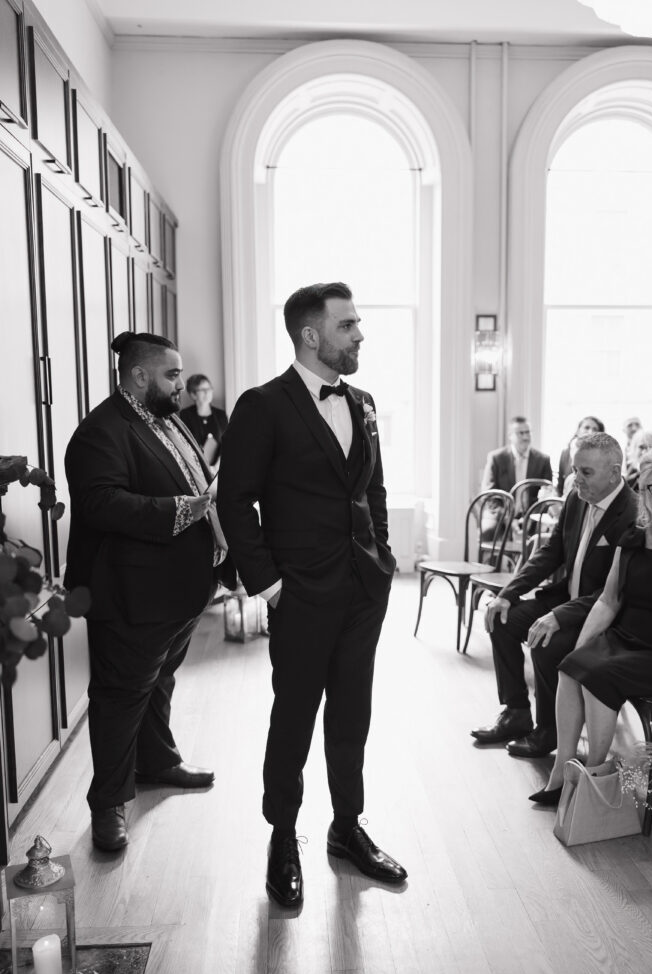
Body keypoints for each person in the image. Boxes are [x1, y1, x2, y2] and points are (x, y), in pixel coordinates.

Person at [217, 281, 406, 909]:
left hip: (361, 590)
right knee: (293, 718)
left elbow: (372, 488)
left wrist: (381, 554)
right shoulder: (263, 406)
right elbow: (234, 500)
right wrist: (269, 585)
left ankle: (346, 826)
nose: (359, 335)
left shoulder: (366, 401)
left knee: (353, 714)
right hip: (298, 594)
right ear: (311, 335)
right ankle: (282, 835)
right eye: (348, 325)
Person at [64, 331, 235, 852]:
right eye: (172, 374)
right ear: (139, 376)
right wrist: (186, 509)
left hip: (181, 592)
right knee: (120, 697)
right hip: (131, 596)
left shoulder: (168, 420)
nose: (181, 385)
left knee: (159, 680)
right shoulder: (101, 431)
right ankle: (109, 804)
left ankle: (157, 761)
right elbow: (101, 504)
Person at [531, 445, 652, 805]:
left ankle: (593, 775)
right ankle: (562, 770)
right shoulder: (632, 541)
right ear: (643, 495)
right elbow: (608, 601)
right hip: (627, 637)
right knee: (571, 667)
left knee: (599, 676)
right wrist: (581, 647)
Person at [471, 433, 638, 756]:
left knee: (546, 645)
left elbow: (614, 592)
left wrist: (559, 616)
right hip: (565, 598)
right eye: (575, 470)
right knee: (503, 620)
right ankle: (516, 712)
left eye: (586, 472)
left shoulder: (631, 514)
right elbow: (552, 551)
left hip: (604, 616)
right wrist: (508, 593)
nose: (576, 479)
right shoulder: (576, 498)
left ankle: (549, 732)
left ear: (614, 472)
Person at [482, 416, 553, 500]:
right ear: (510, 435)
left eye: (528, 432)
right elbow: (489, 493)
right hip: (504, 511)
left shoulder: (543, 460)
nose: (525, 437)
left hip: (533, 512)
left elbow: (547, 493)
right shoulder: (496, 459)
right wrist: (502, 512)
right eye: (521, 433)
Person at [179, 374, 229, 468]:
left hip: (218, 469)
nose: (207, 393)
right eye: (202, 390)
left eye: (209, 389)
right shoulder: (185, 415)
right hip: (195, 468)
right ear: (193, 394)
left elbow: (227, 444)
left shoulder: (221, 415)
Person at [557, 415, 605, 496]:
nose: (590, 431)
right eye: (586, 427)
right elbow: (560, 486)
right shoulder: (566, 453)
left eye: (595, 429)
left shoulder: (603, 456)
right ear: (578, 431)